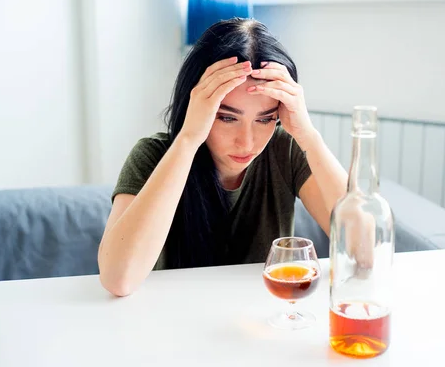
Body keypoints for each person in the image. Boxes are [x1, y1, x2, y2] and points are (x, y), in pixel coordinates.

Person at [98, 18, 348, 297]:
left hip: (258, 321)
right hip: (171, 323)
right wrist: (189, 138)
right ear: (196, 106)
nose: (248, 142)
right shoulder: (152, 156)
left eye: (265, 119)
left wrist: (309, 136)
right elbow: (118, 280)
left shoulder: (284, 150)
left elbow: (363, 250)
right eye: (227, 117)